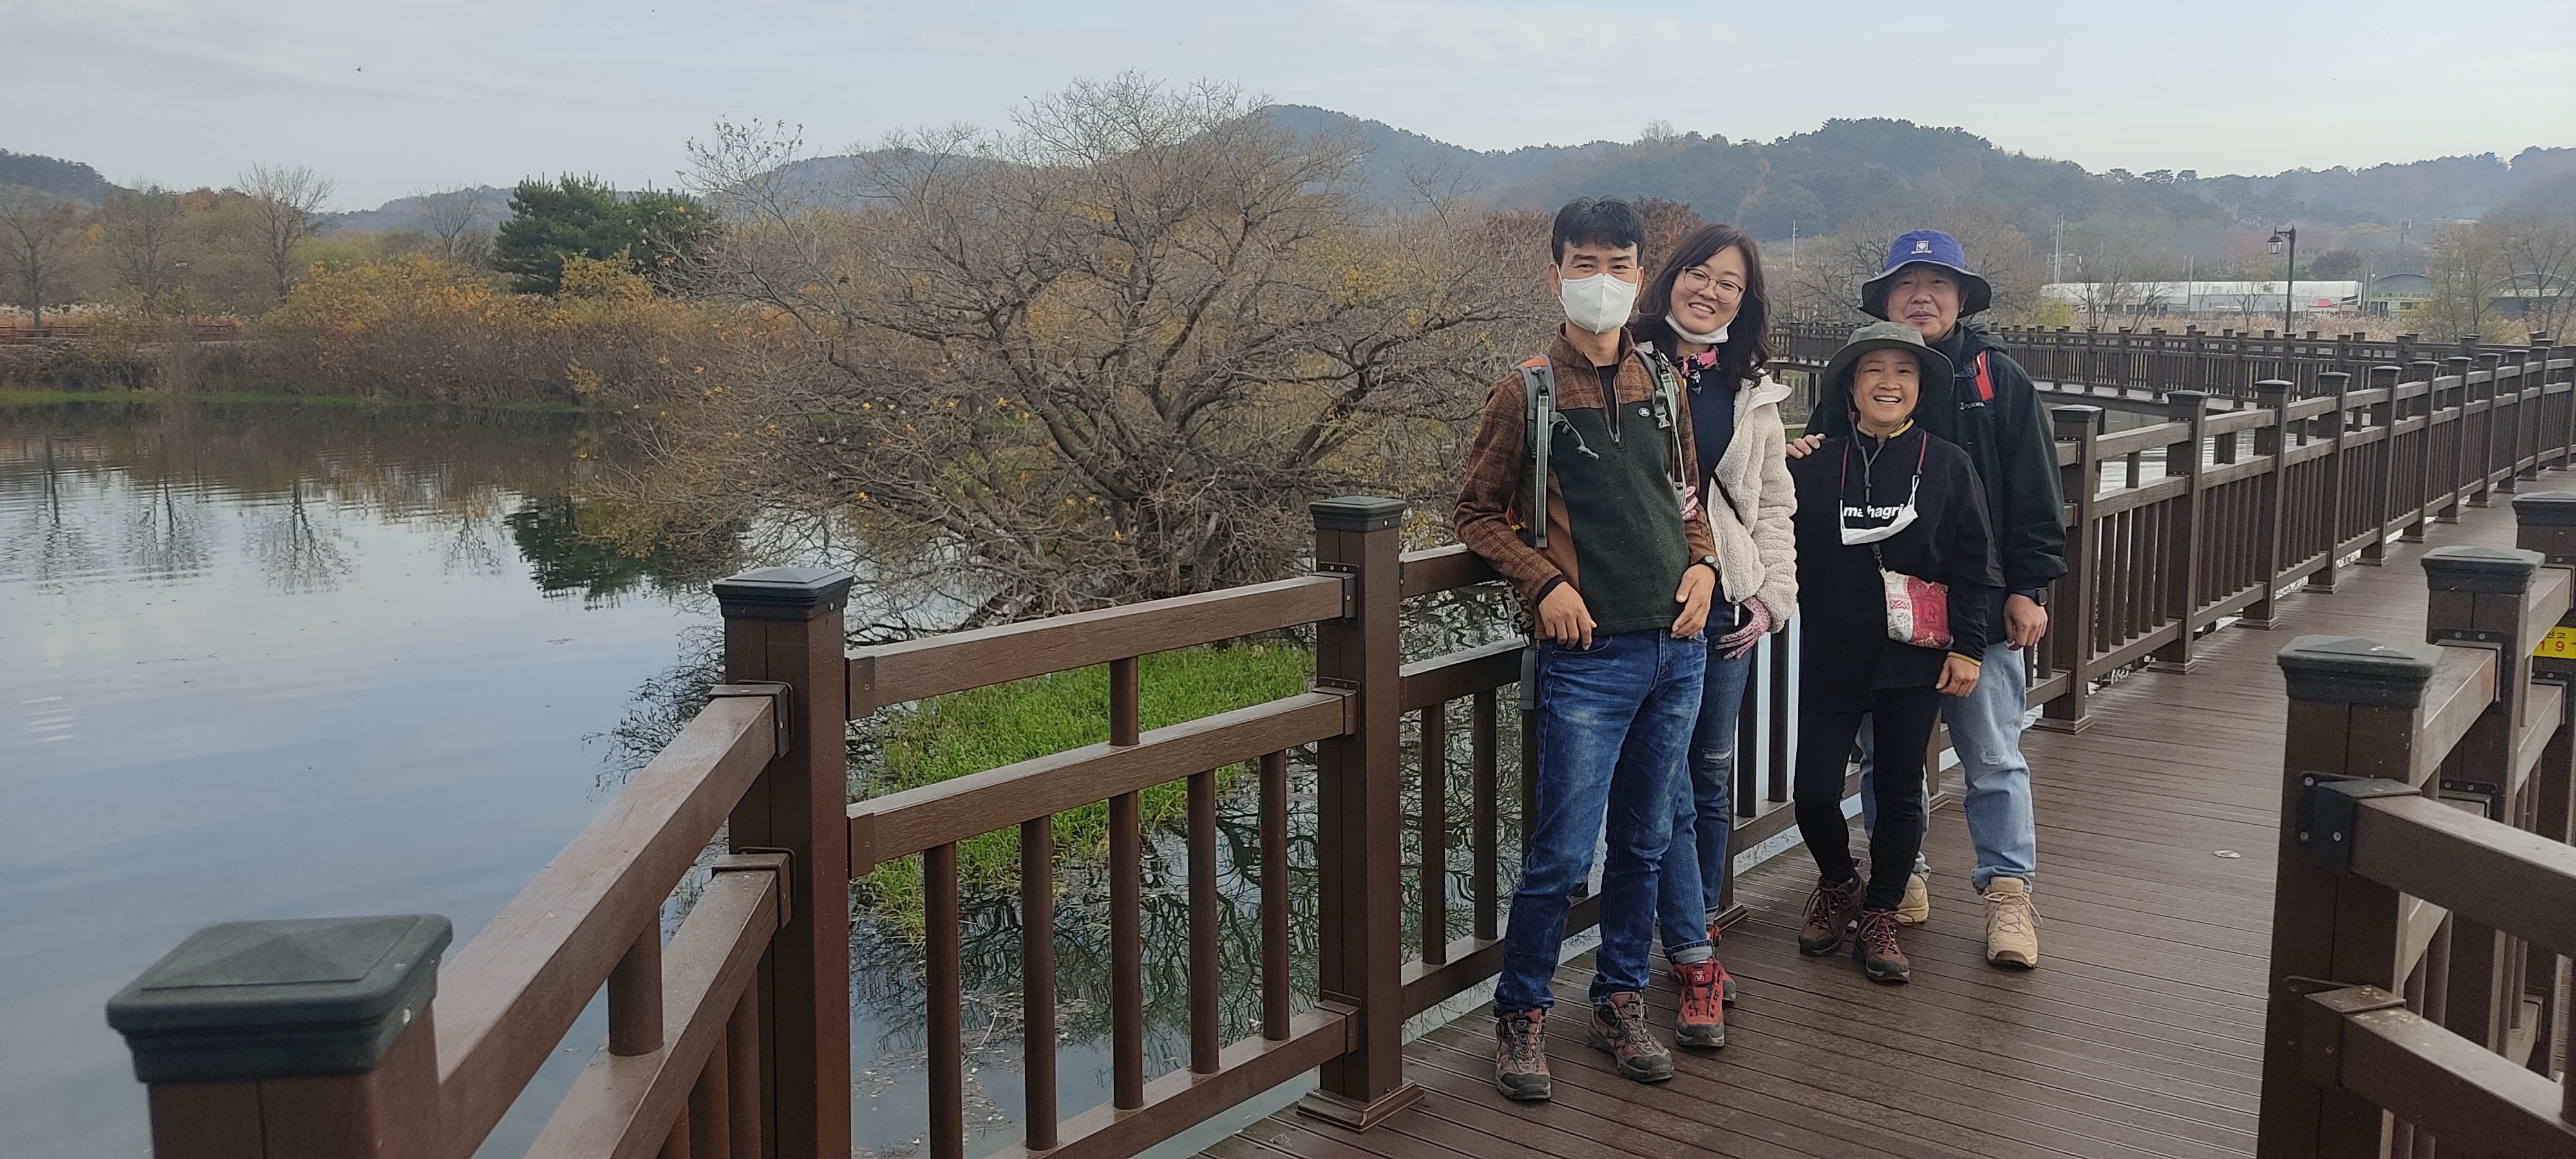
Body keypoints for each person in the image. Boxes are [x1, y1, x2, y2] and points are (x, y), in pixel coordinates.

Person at [1455, 197, 1719, 1100]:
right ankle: (1521, 1013)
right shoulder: (1524, 391)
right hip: (1589, 658)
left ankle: (1618, 1000)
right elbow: (1475, 513)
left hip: (1676, 649)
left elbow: (1688, 500)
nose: (1601, 281)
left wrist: (1704, 567)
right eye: (1584, 264)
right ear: (1555, 274)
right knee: (1563, 857)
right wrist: (1545, 583)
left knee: (1644, 843)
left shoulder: (1665, 382)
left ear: (1640, 277)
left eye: (1617, 265)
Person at [1789, 229, 2063, 968]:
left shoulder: (1996, 379)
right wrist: (1792, 456)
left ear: (1961, 298)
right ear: (1883, 299)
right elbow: (1812, 488)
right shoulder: (1854, 380)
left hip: (1978, 611)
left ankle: (2007, 891)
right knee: (1888, 760)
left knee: (1992, 754)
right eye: (1905, 285)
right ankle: (1896, 880)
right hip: (1878, 632)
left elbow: (2036, 491)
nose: (1921, 297)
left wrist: (2028, 588)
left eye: (1937, 284)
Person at [1786, 321, 1999, 984]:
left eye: (1904, 371)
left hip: (1913, 653)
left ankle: (1881, 911)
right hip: (1832, 645)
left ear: (1920, 388)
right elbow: (1765, 532)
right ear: (1850, 387)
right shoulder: (1814, 465)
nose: (1888, 383)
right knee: (1813, 790)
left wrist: (1968, 649)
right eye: (1873, 370)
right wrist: (1775, 458)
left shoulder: (1948, 464)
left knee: (1901, 788)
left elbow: (1975, 565)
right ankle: (1837, 880)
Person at [1628, 223, 1795, 1050]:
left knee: (1708, 773)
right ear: (1670, 278)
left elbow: (1773, 502)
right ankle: (1686, 948)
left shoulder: (1750, 386)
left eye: (1729, 283)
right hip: (1651, 604)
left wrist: (1772, 600)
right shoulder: (1626, 358)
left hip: (1729, 603)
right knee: (1663, 784)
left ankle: (1692, 933)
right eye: (1699, 273)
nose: (1711, 291)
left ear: (1744, 300)